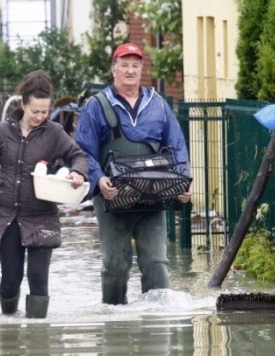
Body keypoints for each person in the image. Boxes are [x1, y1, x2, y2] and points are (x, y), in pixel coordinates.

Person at [74, 42, 193, 305]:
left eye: (135, 66)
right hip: (112, 197)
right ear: (113, 70)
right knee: (115, 265)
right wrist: (98, 179)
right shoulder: (96, 105)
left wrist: (184, 181)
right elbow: (82, 150)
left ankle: (157, 333)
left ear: (142, 71)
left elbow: (177, 145)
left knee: (156, 263)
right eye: (124, 65)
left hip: (153, 199)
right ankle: (114, 326)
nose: (130, 71)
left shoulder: (158, 104)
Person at [0, 70, 88, 318]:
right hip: (8, 216)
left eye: (45, 112)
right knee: (11, 280)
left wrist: (77, 172)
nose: (40, 116)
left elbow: (77, 156)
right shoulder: (3, 131)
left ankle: (39, 337)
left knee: (39, 280)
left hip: (42, 217)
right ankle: (9, 329)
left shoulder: (54, 133)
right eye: (35, 111)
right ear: (23, 105)